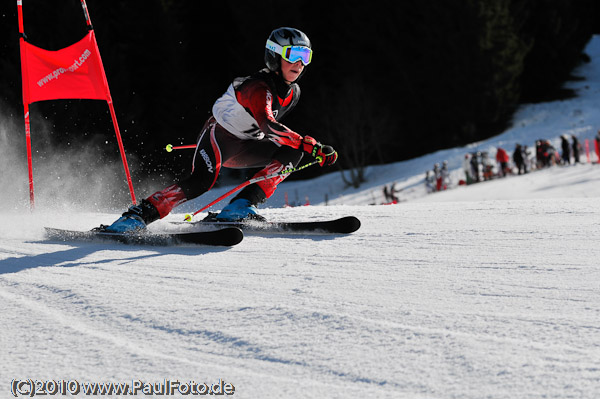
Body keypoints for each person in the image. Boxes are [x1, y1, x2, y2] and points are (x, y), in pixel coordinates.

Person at [105, 27, 338, 232]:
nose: (299, 63)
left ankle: (240, 206)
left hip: (248, 146)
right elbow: (268, 124)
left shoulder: (293, 92)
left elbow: (267, 129)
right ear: (275, 56)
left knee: (291, 152)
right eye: (293, 55)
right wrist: (310, 144)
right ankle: (137, 216)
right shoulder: (257, 87)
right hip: (219, 139)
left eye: (305, 56)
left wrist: (301, 145)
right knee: (200, 182)